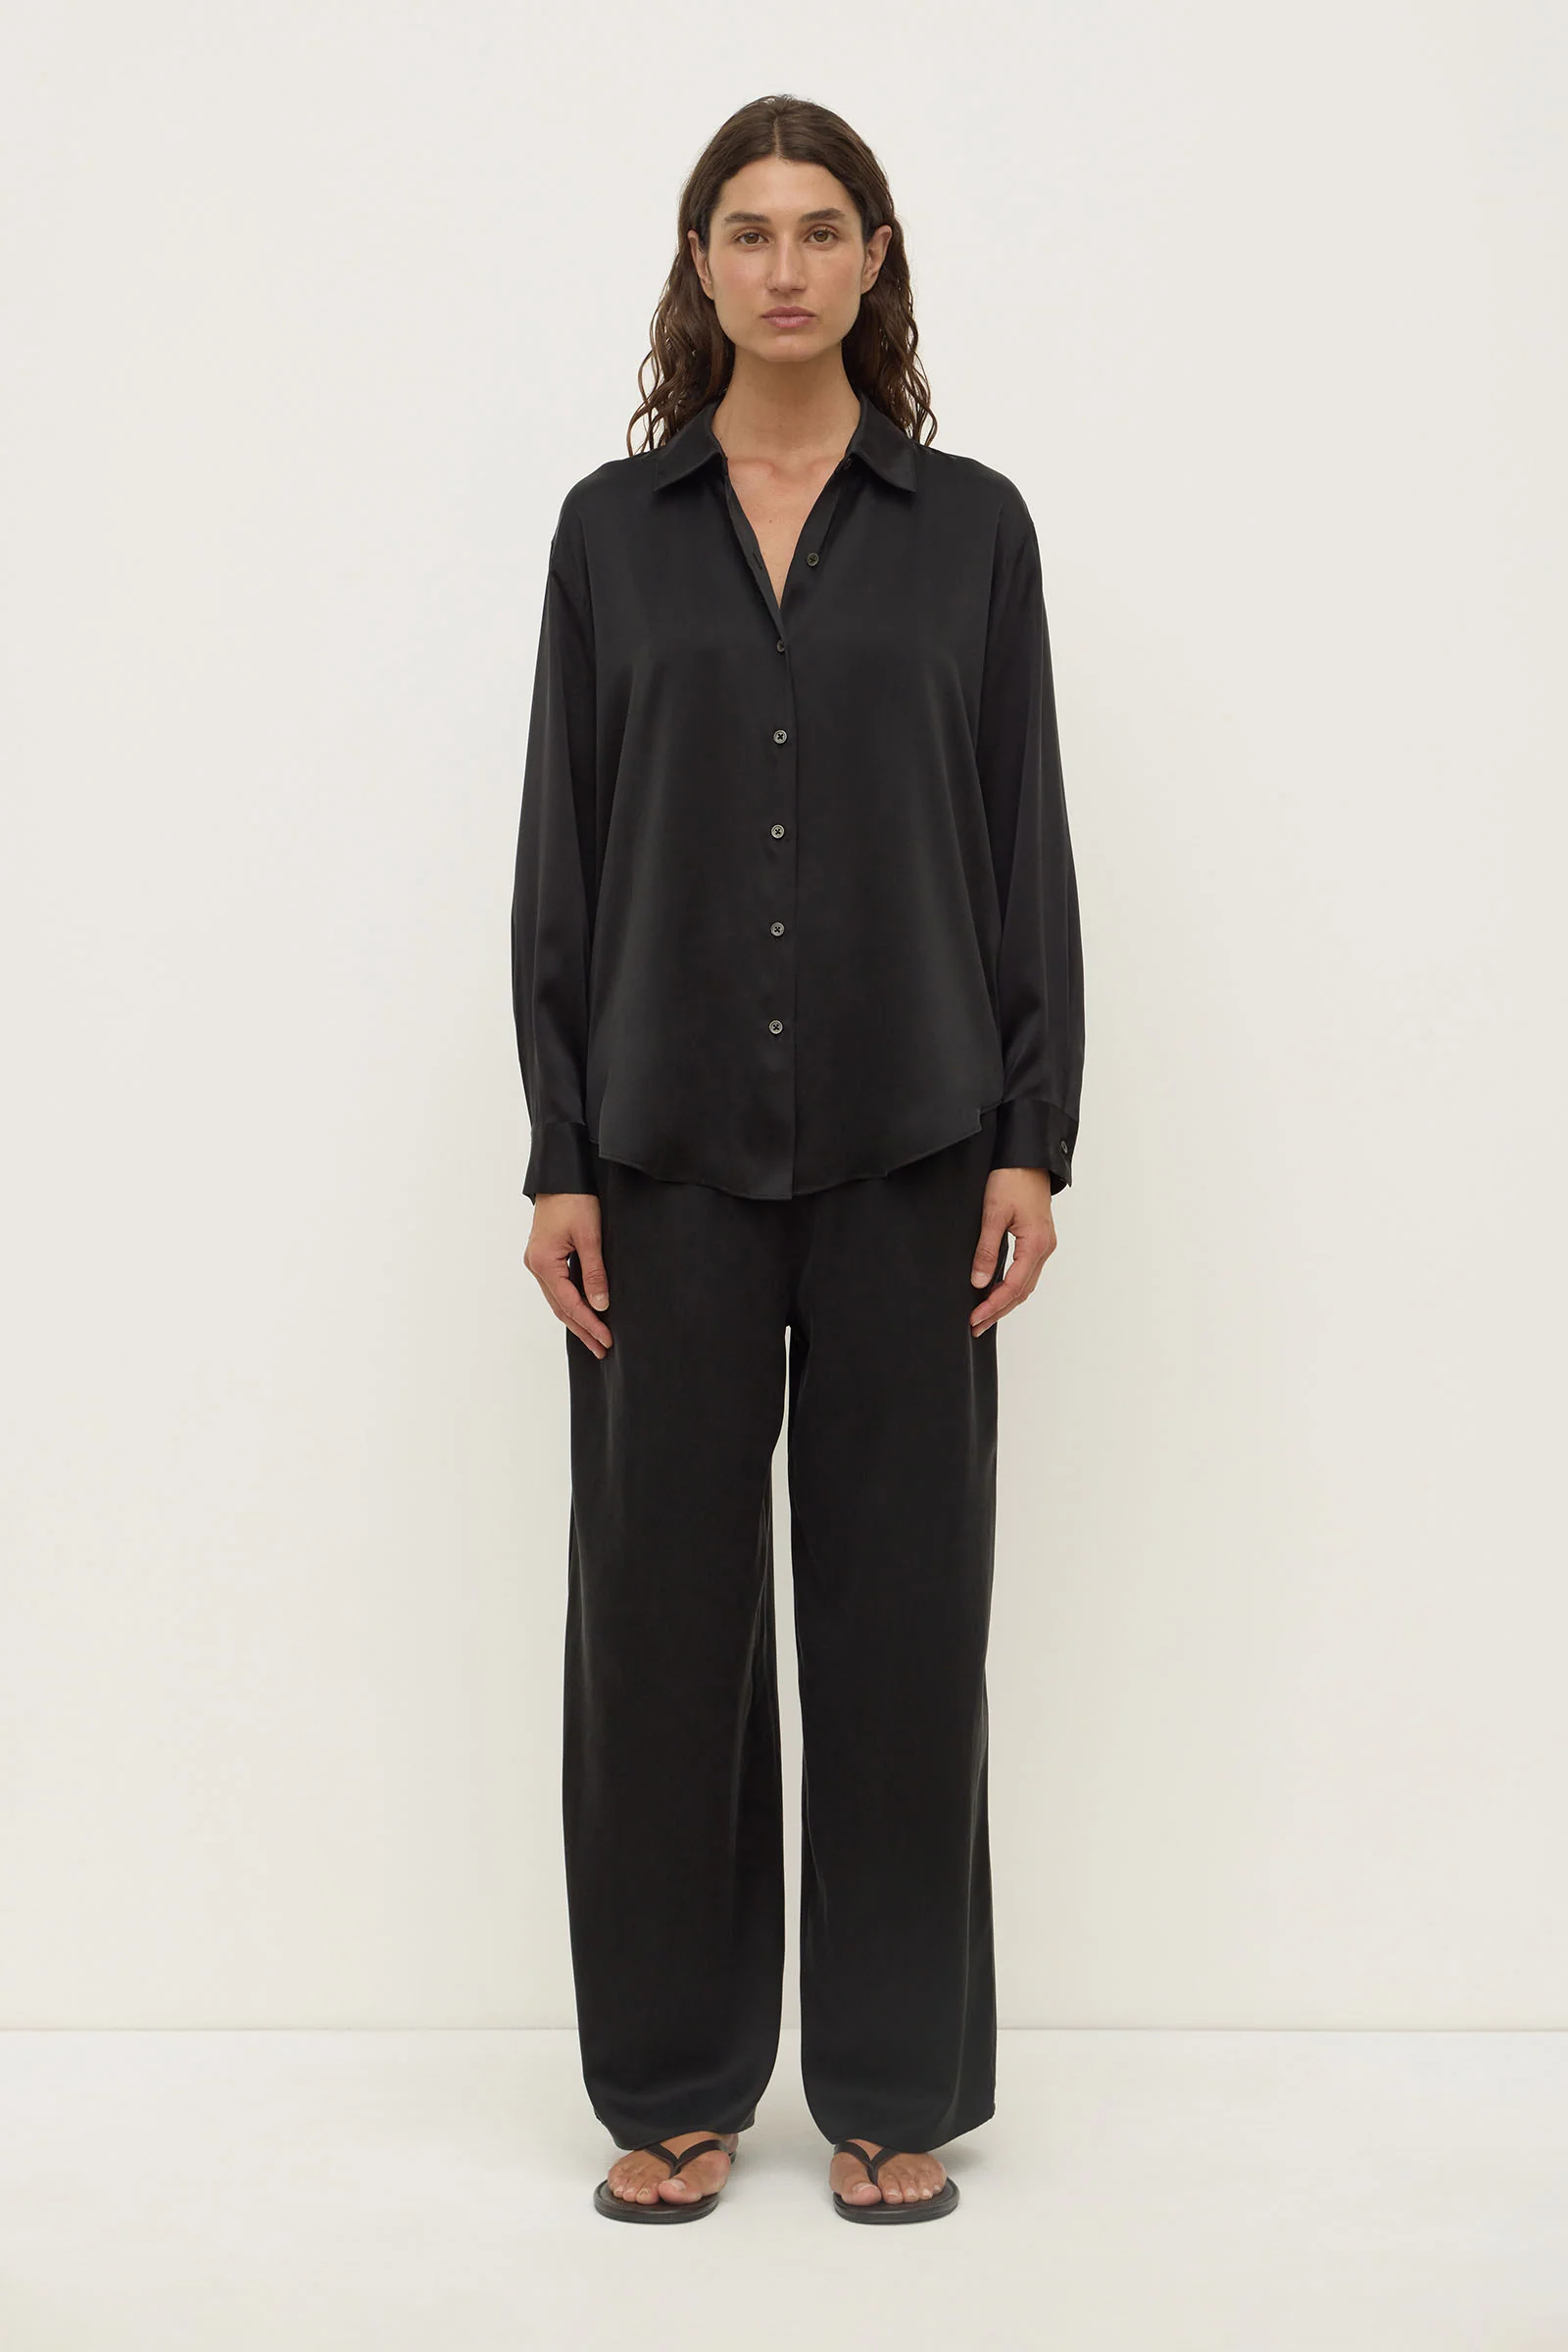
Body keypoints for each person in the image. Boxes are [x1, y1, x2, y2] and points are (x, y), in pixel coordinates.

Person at [511, 92, 1084, 2227]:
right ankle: (671, 2080)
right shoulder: (609, 533)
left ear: (872, 259)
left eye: (819, 228)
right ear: (699, 261)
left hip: (917, 1142)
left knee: (903, 1624)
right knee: (659, 1634)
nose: (782, 265)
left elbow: (1020, 834)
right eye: (745, 230)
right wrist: (559, 1152)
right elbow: (564, 845)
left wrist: (1031, 1135)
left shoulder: (972, 531)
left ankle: (891, 2080)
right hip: (657, 1153)